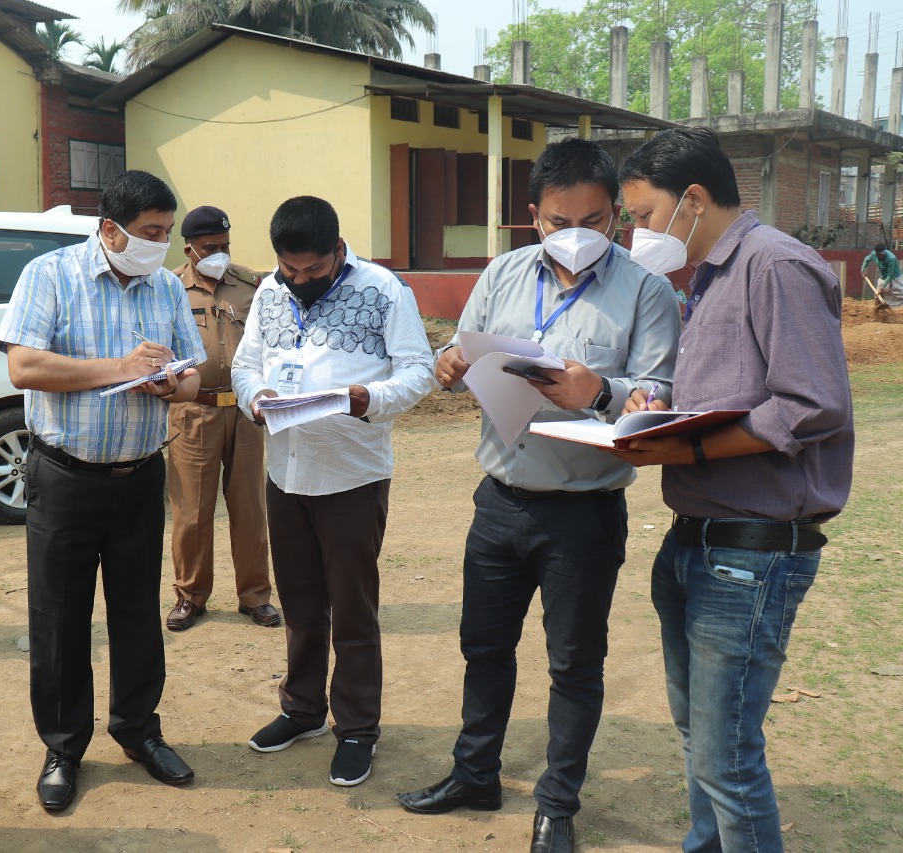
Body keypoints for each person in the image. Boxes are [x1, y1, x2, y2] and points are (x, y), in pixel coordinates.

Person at [396, 138, 681, 853]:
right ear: (533, 217)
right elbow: (458, 357)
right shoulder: (501, 273)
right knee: (484, 646)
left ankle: (557, 804)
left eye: (594, 217)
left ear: (616, 215)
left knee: (574, 663)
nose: (577, 232)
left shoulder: (647, 291)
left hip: (583, 509)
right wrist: (451, 363)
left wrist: (602, 391)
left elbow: (658, 399)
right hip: (500, 497)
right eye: (560, 220)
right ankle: (475, 773)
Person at [615, 126, 854, 853]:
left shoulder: (774, 264)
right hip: (698, 538)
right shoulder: (710, 273)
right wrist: (656, 412)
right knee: (701, 741)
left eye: (645, 215)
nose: (638, 234)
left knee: (726, 756)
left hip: (749, 555)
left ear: (692, 199)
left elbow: (812, 403)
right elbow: (727, 390)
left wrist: (686, 443)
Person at [0, 170, 207, 813]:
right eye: (150, 233)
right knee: (59, 618)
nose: (161, 245)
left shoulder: (165, 285)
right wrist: (118, 369)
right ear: (110, 229)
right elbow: (23, 365)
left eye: (167, 233)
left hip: (140, 473)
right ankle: (63, 746)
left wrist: (171, 384)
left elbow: (193, 374)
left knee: (139, 611)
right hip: (64, 476)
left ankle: (139, 730)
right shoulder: (50, 276)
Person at [232, 195, 435, 788]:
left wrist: (366, 399)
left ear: (338, 251)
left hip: (351, 475)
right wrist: (253, 399)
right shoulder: (270, 292)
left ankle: (357, 728)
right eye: (289, 271)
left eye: (313, 272)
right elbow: (247, 365)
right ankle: (302, 710)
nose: (299, 282)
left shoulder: (384, 290)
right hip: (285, 474)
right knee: (299, 603)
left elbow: (418, 371)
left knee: (351, 608)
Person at [165, 205, 277, 632]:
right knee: (191, 512)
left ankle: (255, 597)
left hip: (246, 412)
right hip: (194, 412)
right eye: (211, 247)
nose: (220, 254)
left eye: (225, 246)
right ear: (190, 249)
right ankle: (190, 596)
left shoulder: (251, 285)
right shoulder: (170, 288)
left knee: (250, 508)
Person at [861, 242, 903, 310]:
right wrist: (863, 269)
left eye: (882, 254)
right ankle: (877, 313)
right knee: (878, 294)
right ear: (876, 253)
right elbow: (867, 259)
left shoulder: (891, 258)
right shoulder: (874, 254)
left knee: (901, 293)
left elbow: (890, 274)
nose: (880, 256)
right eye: (879, 255)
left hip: (895, 277)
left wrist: (882, 286)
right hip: (883, 276)